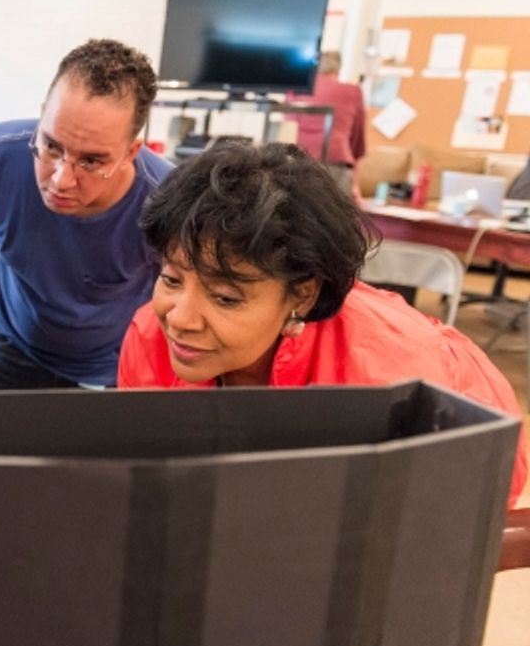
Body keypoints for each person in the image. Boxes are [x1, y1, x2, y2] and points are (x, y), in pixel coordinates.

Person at [117, 141, 527, 508]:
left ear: (303, 294)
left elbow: (451, 514)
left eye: (225, 297)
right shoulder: (151, 338)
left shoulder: (390, 378)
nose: (180, 318)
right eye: (171, 278)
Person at [0, 38, 173, 390]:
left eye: (91, 161)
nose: (61, 179)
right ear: (42, 115)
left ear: (131, 152)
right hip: (11, 345)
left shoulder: (167, 202)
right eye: (52, 146)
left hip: (107, 367)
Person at [288, 51, 367, 195]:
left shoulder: (295, 90)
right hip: (333, 162)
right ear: (338, 70)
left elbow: (286, 127)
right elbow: (357, 140)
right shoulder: (352, 91)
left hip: (293, 161)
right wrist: (355, 186)